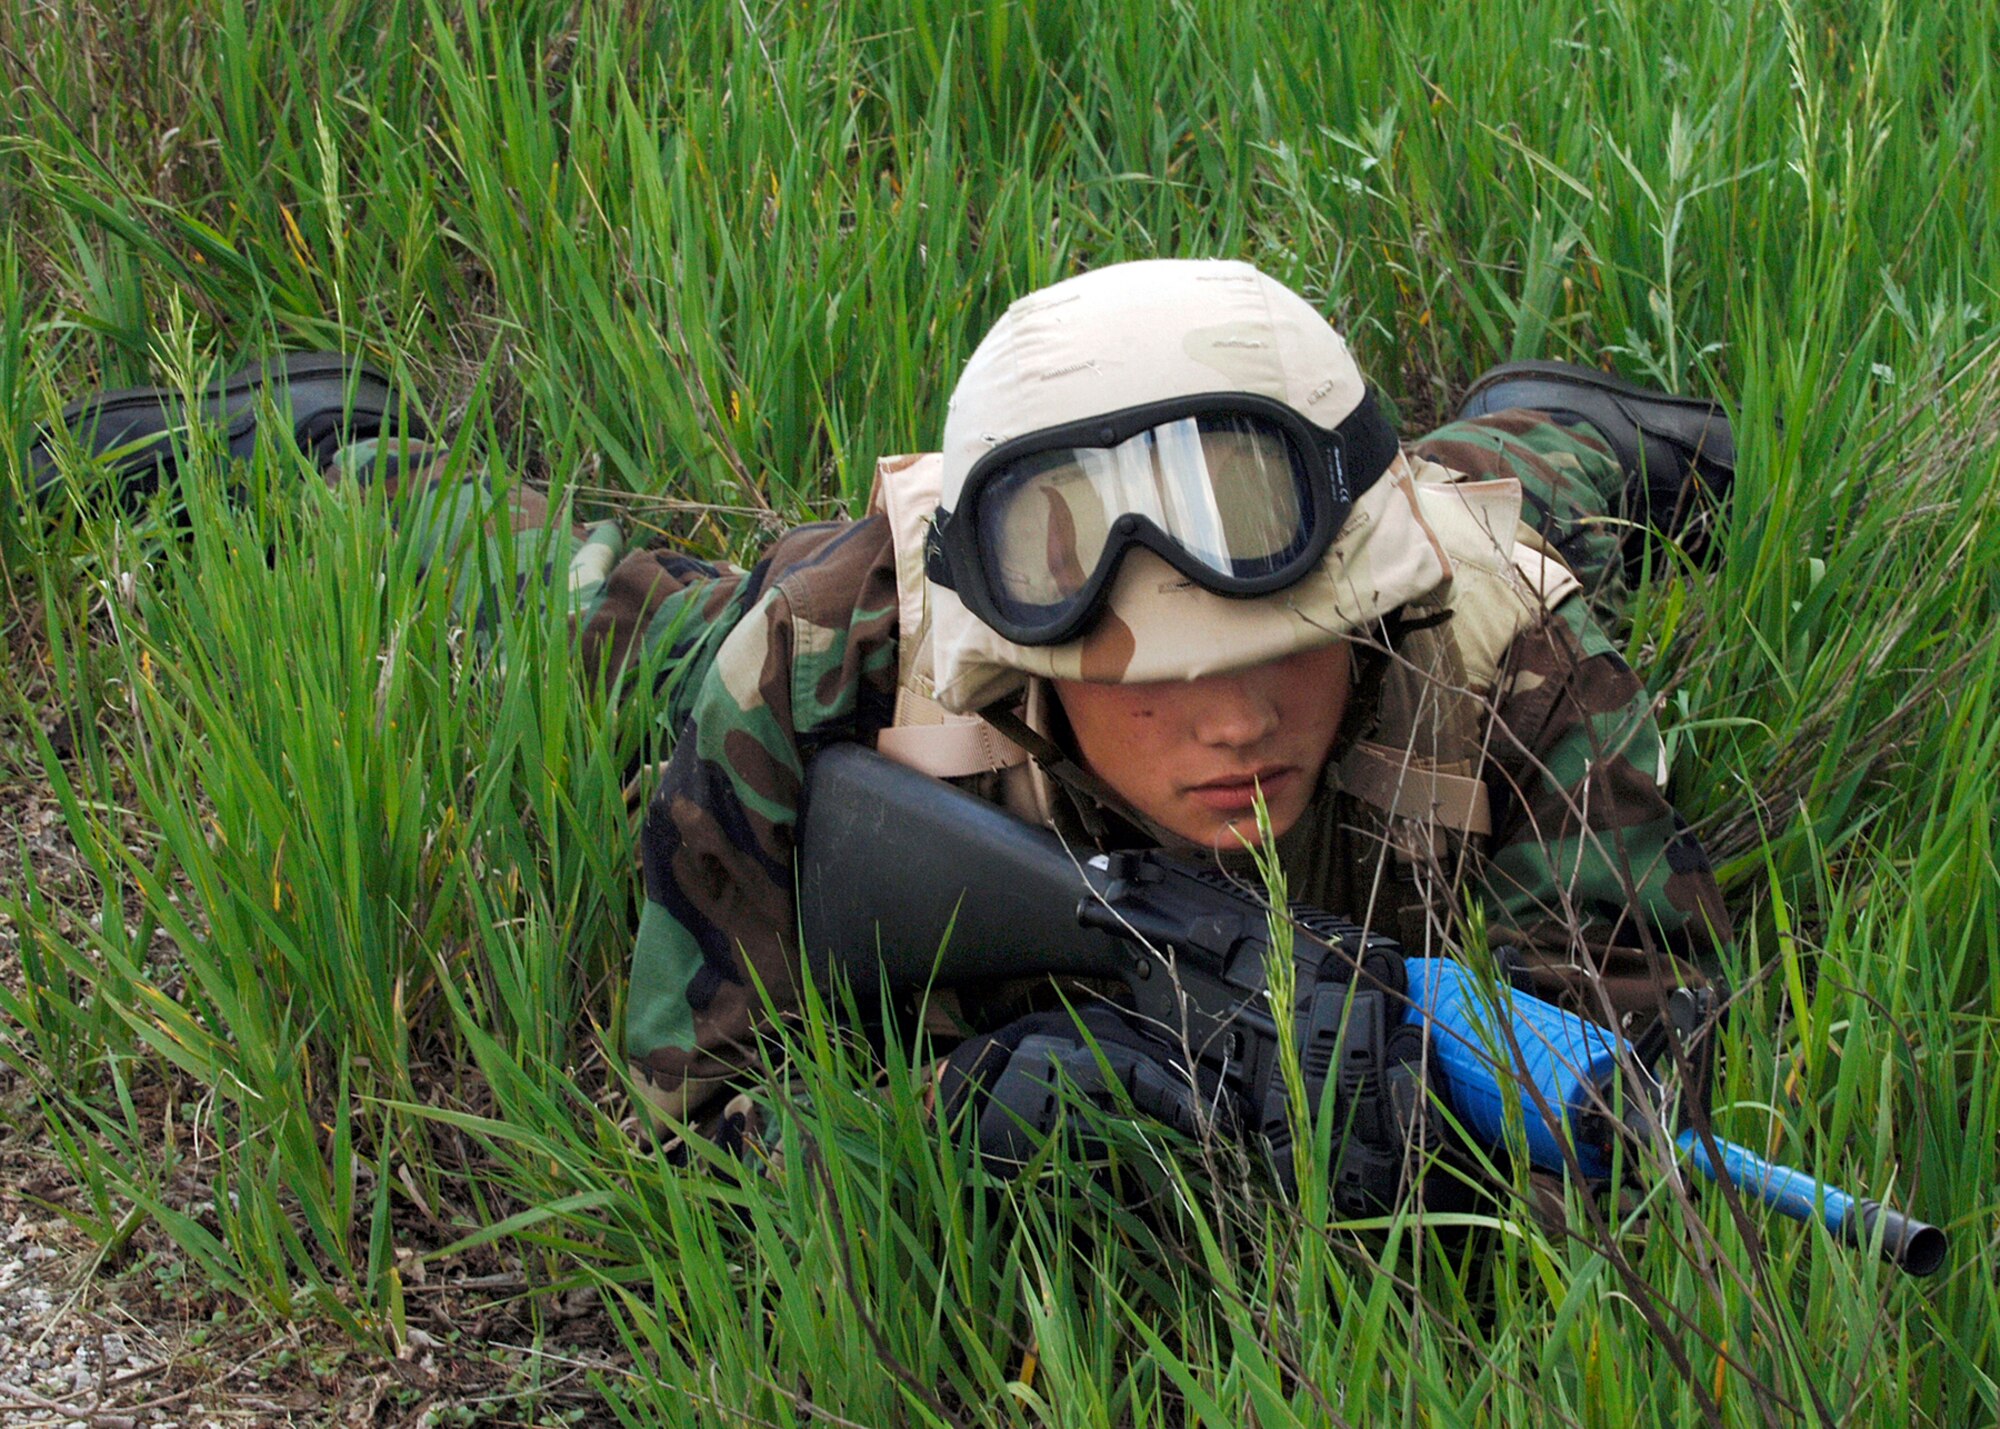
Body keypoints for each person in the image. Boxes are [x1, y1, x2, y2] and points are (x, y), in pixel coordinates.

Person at [25, 259, 1736, 1183]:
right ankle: (330, 457)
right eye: (1146, 673)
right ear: (1030, 660)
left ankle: (1555, 419)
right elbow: (691, 1122)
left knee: (1504, 491)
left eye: (1285, 650)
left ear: (1360, 614)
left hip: (1453, 521)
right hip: (794, 628)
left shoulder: (1496, 642)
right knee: (596, 608)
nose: (1230, 723)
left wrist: (1401, 1130)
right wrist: (992, 1117)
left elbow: (1652, 1056)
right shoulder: (840, 643)